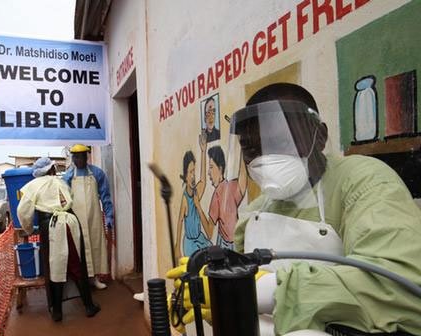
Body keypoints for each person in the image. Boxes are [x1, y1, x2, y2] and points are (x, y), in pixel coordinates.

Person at [167, 83, 421, 335]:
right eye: (252, 150)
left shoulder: (363, 183)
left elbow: (397, 284)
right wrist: (221, 302)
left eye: (280, 142)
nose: (264, 159)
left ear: (319, 136)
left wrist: (256, 289)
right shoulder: (257, 212)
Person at [17, 157, 100, 322]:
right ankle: (88, 306)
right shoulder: (61, 182)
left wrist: (27, 229)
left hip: (51, 226)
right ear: (52, 169)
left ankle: (57, 311)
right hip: (70, 222)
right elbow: (70, 200)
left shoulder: (33, 185)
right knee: (77, 263)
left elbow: (23, 211)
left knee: (54, 265)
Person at [63, 144, 114, 290]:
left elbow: (105, 196)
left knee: (95, 244)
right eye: (75, 157)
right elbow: (64, 199)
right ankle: (82, 279)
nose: (78, 159)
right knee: (79, 248)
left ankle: (95, 278)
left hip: (94, 217)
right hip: (75, 218)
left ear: (86, 156)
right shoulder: (68, 176)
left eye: (81, 156)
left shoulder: (97, 173)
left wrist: (109, 215)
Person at [174, 134, 214, 258]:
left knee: (213, 254)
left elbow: (203, 180)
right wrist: (177, 247)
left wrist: (203, 151)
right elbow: (180, 221)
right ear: (185, 176)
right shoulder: (185, 199)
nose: (193, 176)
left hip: (200, 239)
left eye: (194, 171)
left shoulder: (196, 192)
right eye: (190, 172)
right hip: (190, 243)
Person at [206, 145, 247, 250]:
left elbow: (209, 232)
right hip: (230, 242)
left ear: (220, 168)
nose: (209, 173)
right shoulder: (230, 186)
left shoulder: (218, 195)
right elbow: (243, 177)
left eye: (211, 167)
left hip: (228, 244)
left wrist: (197, 206)